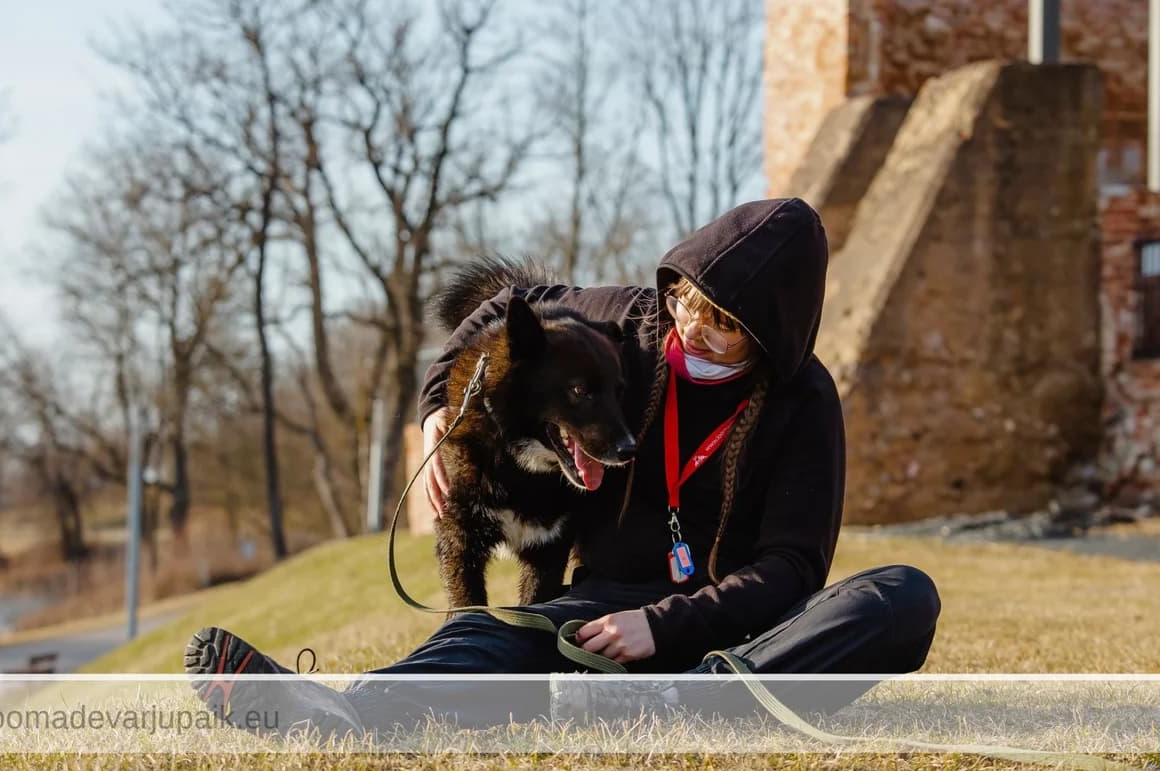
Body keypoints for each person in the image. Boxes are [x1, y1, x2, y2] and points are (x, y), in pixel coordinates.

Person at [184, 198, 941, 738]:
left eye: (725, 327)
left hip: (743, 636)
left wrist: (668, 624)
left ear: (772, 336)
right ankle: (335, 713)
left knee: (902, 600)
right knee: (484, 639)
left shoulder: (805, 402)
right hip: (601, 612)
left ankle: (690, 703)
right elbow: (502, 311)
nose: (693, 331)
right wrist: (434, 411)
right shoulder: (627, 321)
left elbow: (792, 569)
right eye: (688, 302)